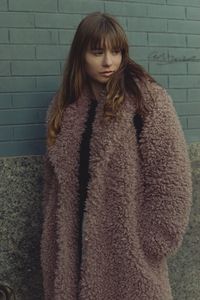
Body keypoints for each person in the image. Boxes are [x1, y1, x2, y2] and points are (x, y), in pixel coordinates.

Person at [40, 12, 192, 300]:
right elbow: (52, 186)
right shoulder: (63, 108)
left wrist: (150, 242)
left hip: (127, 257)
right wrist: (54, 240)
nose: (109, 61)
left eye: (116, 51)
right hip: (73, 256)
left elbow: (171, 177)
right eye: (97, 52)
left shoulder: (148, 102)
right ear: (80, 55)